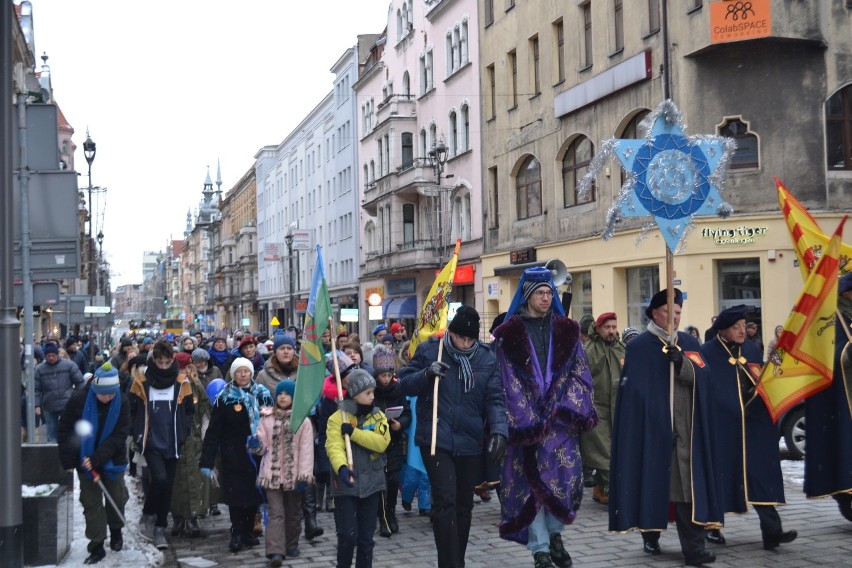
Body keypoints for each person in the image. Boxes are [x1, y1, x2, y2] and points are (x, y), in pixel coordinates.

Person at [493, 267, 597, 568]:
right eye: (541, 293)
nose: (546, 297)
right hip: (526, 426)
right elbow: (506, 380)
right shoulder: (510, 334)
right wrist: (528, 417)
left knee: (562, 483)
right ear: (528, 296)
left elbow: (581, 373)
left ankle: (555, 536)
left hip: (560, 424)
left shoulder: (567, 331)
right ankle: (539, 548)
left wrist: (564, 407)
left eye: (550, 293)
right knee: (529, 488)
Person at [609, 288, 720, 566]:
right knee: (652, 484)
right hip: (653, 433)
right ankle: (650, 534)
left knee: (685, 492)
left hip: (686, 433)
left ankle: (694, 550)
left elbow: (706, 378)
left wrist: (682, 363)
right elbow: (633, 394)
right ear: (655, 314)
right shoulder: (638, 348)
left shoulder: (689, 342)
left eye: (679, 313)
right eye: (669, 313)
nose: (675, 318)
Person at [399, 305, 508, 568]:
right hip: (436, 438)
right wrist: (426, 374)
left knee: (463, 506)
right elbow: (403, 382)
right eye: (461, 337)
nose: (465, 343)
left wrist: (499, 431)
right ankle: (450, 564)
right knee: (445, 501)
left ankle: (456, 559)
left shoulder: (485, 358)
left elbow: (494, 399)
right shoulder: (430, 350)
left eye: (470, 339)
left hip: (469, 440)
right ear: (451, 332)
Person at [701, 305, 797, 550]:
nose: (743, 331)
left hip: (753, 425)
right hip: (723, 427)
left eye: (744, 326)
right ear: (723, 330)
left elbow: (761, 380)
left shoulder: (752, 350)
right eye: (736, 327)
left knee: (760, 475)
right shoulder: (708, 353)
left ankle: (772, 532)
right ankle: (711, 527)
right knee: (720, 475)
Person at [57, 362, 129, 564]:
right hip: (84, 460)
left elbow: (119, 435)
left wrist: (97, 458)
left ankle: (116, 531)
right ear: (96, 389)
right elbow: (65, 430)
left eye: (111, 394)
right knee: (91, 503)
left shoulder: (121, 401)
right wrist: (71, 460)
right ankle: (96, 544)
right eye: (104, 394)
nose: (108, 398)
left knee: (116, 497)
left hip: (112, 460)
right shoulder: (79, 400)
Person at [199, 357, 273, 553]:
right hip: (233, 452)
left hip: (258, 453)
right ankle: (237, 531)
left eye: (246, 371)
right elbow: (214, 430)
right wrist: (207, 460)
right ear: (233, 374)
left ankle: (249, 529)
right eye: (239, 371)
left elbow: (272, 423)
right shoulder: (224, 397)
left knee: (253, 494)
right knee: (235, 495)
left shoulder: (262, 394)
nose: (243, 375)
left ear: (251, 373)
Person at [256, 332, 324, 541]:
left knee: (305, 470)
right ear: (275, 351)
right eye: (282, 348)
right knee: (280, 476)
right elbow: (259, 401)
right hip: (275, 430)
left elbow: (315, 393)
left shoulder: (303, 370)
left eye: (289, 348)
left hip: (301, 428)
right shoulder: (264, 375)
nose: (286, 351)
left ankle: (310, 519)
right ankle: (281, 522)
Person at [129, 340, 195, 550]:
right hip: (151, 441)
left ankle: (159, 527)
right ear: (154, 361)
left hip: (173, 441)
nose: (164, 366)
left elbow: (188, 412)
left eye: (167, 362)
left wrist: (184, 433)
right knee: (159, 478)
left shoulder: (182, 382)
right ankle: (148, 514)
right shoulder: (141, 381)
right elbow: (132, 409)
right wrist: (137, 434)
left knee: (167, 486)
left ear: (172, 360)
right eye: (160, 362)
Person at [325, 369, 390, 568]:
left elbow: (382, 442)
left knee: (366, 539)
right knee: (347, 536)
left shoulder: (377, 416)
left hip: (372, 484)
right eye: (368, 393)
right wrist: (342, 468)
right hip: (346, 486)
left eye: (373, 392)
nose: (372, 397)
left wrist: (354, 433)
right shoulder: (337, 418)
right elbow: (334, 446)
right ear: (354, 394)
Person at [805, 272, 852, 521]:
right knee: (842, 449)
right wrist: (846, 353)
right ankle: (844, 494)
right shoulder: (831, 320)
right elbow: (823, 360)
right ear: (846, 293)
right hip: (841, 400)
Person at [253, 380, 315, 566]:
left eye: (287, 394)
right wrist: (256, 445)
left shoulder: (302, 421)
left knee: (293, 512)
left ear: (293, 397)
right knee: (276, 513)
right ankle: (275, 551)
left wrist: (304, 475)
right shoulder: (267, 418)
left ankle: (291, 543)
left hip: (294, 475)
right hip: (271, 474)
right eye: (280, 394)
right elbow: (262, 446)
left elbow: (306, 450)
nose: (282, 397)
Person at [580, 311, 624, 506]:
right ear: (598, 328)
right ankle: (615, 492)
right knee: (605, 453)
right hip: (597, 410)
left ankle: (599, 489)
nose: (612, 331)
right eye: (608, 327)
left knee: (616, 450)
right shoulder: (589, 350)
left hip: (620, 408)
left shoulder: (622, 349)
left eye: (614, 327)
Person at [169, 353, 212, 538]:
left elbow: (204, 412)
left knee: (194, 479)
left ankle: (193, 516)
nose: (184, 372)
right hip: (173, 441)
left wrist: (204, 435)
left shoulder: (195, 386)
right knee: (176, 481)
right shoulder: (168, 387)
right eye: (180, 368)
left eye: (187, 368)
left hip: (193, 441)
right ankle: (178, 517)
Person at [371, 344, 412, 537]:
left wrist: (400, 424)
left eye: (388, 375)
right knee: (380, 482)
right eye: (382, 376)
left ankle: (391, 513)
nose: (386, 379)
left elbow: (407, 413)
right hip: (376, 443)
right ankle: (382, 518)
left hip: (394, 441)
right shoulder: (371, 391)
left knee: (394, 480)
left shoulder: (399, 389)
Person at [34, 341, 84, 442]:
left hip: (67, 403)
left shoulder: (69, 365)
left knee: (68, 430)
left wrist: (77, 398)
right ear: (45, 356)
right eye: (48, 356)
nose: (51, 358)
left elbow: (80, 382)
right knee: (52, 433)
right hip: (49, 404)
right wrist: (37, 405)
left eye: (53, 355)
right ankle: (52, 454)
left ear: (57, 355)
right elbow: (36, 389)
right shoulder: (39, 369)